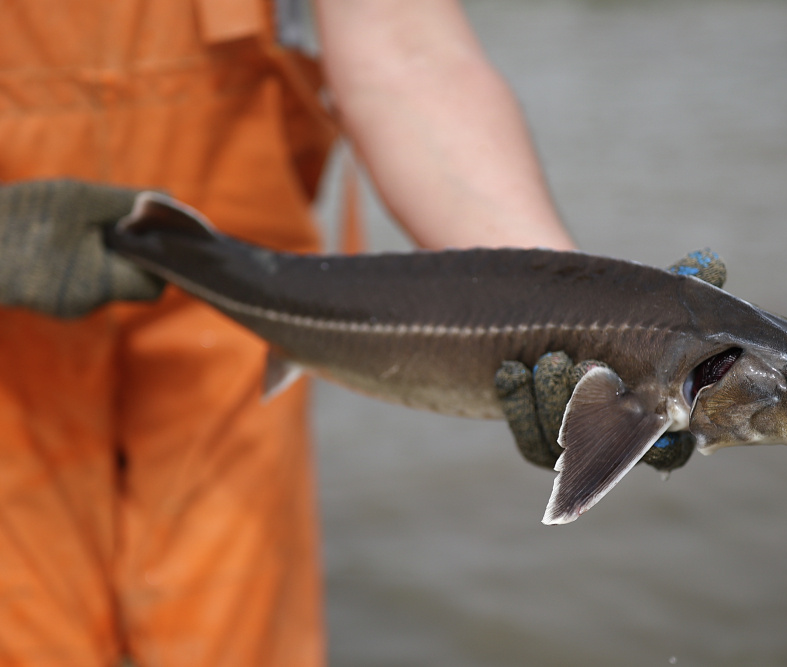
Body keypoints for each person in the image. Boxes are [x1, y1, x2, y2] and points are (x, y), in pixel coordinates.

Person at [0, 2, 574, 665]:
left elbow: (407, 55)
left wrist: (560, 301)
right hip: (10, 361)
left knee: (229, 635)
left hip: (246, 333)